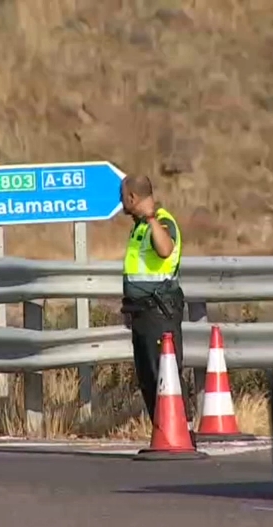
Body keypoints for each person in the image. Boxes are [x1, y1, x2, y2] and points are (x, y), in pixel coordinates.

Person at [119, 174, 193, 440]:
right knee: (149, 376)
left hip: (159, 309)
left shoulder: (160, 222)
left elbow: (165, 249)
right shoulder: (139, 226)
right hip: (141, 311)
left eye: (123, 196)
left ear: (132, 198)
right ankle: (164, 432)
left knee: (166, 373)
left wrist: (152, 220)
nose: (121, 202)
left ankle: (183, 430)